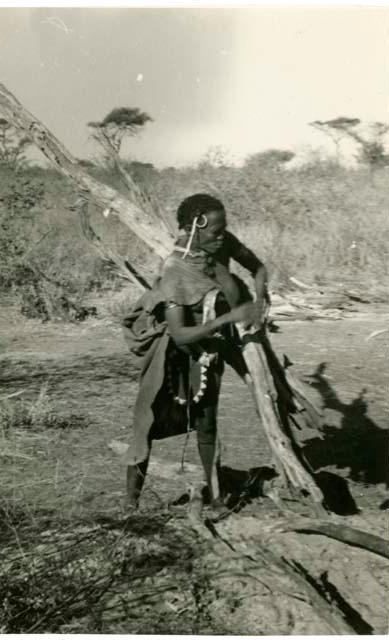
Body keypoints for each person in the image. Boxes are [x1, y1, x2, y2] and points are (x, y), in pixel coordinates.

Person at [123, 193, 269, 510]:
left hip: (209, 349)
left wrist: (259, 299)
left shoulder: (217, 246)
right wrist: (231, 317)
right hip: (172, 355)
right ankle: (130, 506)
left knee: (207, 425)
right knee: (145, 423)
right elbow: (178, 334)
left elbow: (257, 267)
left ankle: (216, 498)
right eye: (216, 232)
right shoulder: (176, 270)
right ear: (193, 228)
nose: (223, 238)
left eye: (224, 230)